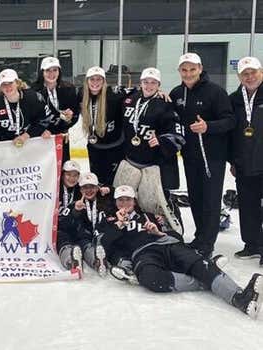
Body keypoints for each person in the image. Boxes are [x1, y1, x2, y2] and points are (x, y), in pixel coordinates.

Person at [98, 185, 262, 319]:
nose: (124, 203)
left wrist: (160, 232)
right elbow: (104, 245)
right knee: (151, 278)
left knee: (199, 264)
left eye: (128, 199)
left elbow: (178, 235)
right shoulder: (110, 220)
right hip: (143, 254)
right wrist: (118, 225)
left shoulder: (149, 216)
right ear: (115, 202)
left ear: (134, 201)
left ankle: (240, 298)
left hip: (166, 243)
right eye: (120, 200)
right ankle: (205, 281)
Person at [169, 53, 235, 258]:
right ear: (179, 71)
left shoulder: (215, 92)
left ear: (200, 68)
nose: (188, 73)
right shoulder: (177, 93)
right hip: (190, 156)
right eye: (184, 70)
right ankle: (199, 236)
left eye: (192, 69)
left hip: (212, 157)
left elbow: (230, 121)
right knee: (196, 198)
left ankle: (208, 242)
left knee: (210, 200)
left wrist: (208, 127)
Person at [117, 67, 185, 233]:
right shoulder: (130, 100)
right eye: (146, 82)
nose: (149, 85)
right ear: (140, 83)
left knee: (154, 204)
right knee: (126, 201)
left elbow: (178, 133)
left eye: (153, 82)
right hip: (130, 162)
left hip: (152, 166)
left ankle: (167, 230)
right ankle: (128, 228)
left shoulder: (165, 104)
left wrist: (162, 141)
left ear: (159, 85)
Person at [228, 56, 263, 264]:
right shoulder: (234, 99)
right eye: (245, 74)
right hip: (243, 162)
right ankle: (251, 244)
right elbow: (230, 132)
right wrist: (232, 160)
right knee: (248, 205)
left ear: (261, 72)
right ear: (240, 76)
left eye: (253, 72)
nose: (249, 77)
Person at [57, 172, 113, 276]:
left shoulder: (106, 202)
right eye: (85, 188)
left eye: (92, 187)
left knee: (87, 246)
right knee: (65, 241)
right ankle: (72, 262)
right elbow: (63, 224)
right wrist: (75, 212)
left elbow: (124, 195)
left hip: (94, 239)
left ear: (97, 188)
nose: (88, 190)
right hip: (76, 237)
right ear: (81, 190)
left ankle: (98, 262)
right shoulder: (75, 204)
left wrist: (109, 189)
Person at [79, 66, 127, 185]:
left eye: (98, 79)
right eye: (92, 79)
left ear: (104, 81)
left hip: (115, 147)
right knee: (98, 183)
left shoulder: (115, 97)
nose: (95, 83)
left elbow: (137, 95)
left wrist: (158, 93)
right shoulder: (81, 95)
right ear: (87, 81)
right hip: (95, 147)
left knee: (114, 184)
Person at [0, 69, 51, 146]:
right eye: (4, 84)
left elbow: (44, 120)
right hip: (6, 148)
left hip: (30, 143)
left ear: (17, 83)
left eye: (10, 83)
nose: (7, 87)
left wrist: (27, 135)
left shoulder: (33, 98)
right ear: (0, 87)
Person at [31, 57, 79, 161]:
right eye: (48, 70)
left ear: (59, 71)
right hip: (41, 138)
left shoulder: (69, 89)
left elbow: (75, 114)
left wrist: (69, 118)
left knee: (62, 170)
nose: (51, 74)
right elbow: (32, 117)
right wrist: (41, 130)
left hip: (61, 138)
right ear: (42, 72)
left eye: (55, 70)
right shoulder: (34, 91)